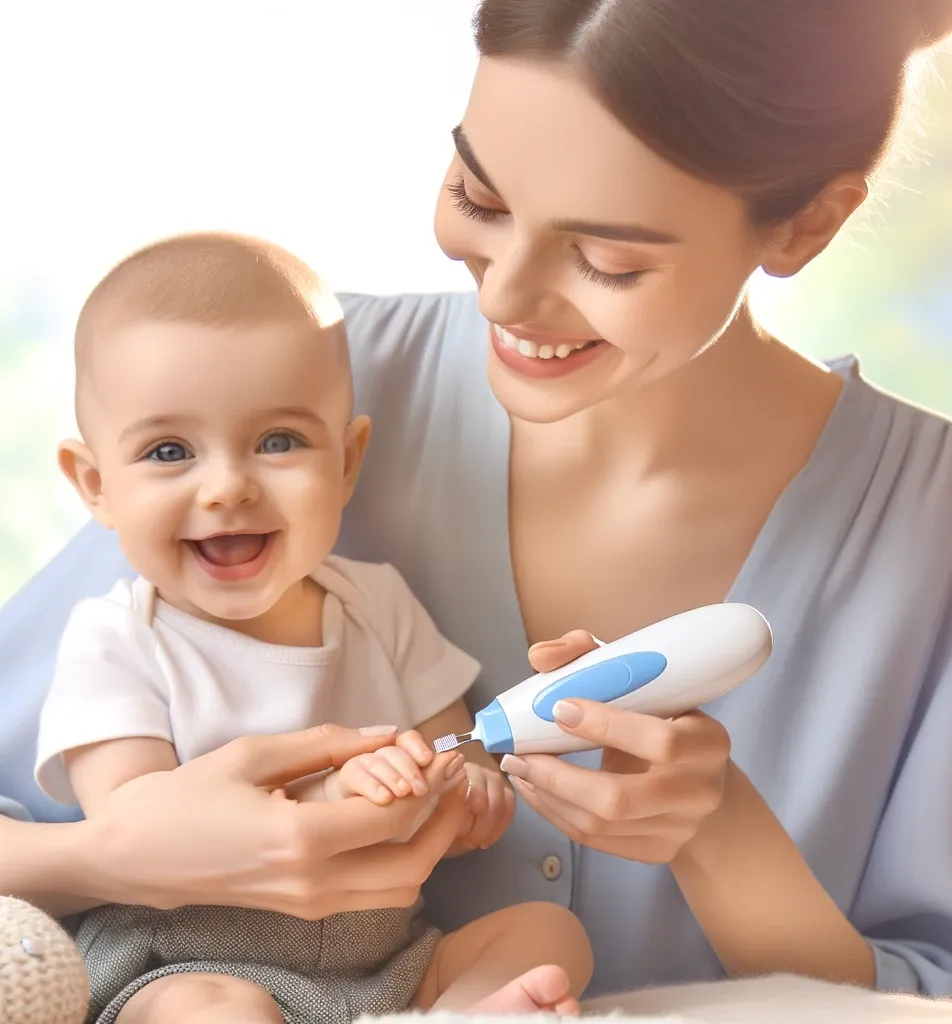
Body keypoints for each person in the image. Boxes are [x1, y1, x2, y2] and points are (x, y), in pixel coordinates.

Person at [1, 0, 952, 1010]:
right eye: (477, 198)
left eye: (607, 260)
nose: (503, 298)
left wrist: (717, 834)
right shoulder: (291, 382)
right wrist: (119, 853)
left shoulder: (935, 513)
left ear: (808, 222)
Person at [29, 232, 592, 1024]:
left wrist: (469, 791)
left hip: (385, 960)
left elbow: (460, 748)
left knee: (549, 931)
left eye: (278, 442)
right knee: (214, 1012)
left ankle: (448, 1017)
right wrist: (330, 792)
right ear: (96, 485)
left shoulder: (379, 604)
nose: (227, 487)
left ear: (347, 461)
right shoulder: (120, 639)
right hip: (188, 961)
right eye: (168, 451)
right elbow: (134, 822)